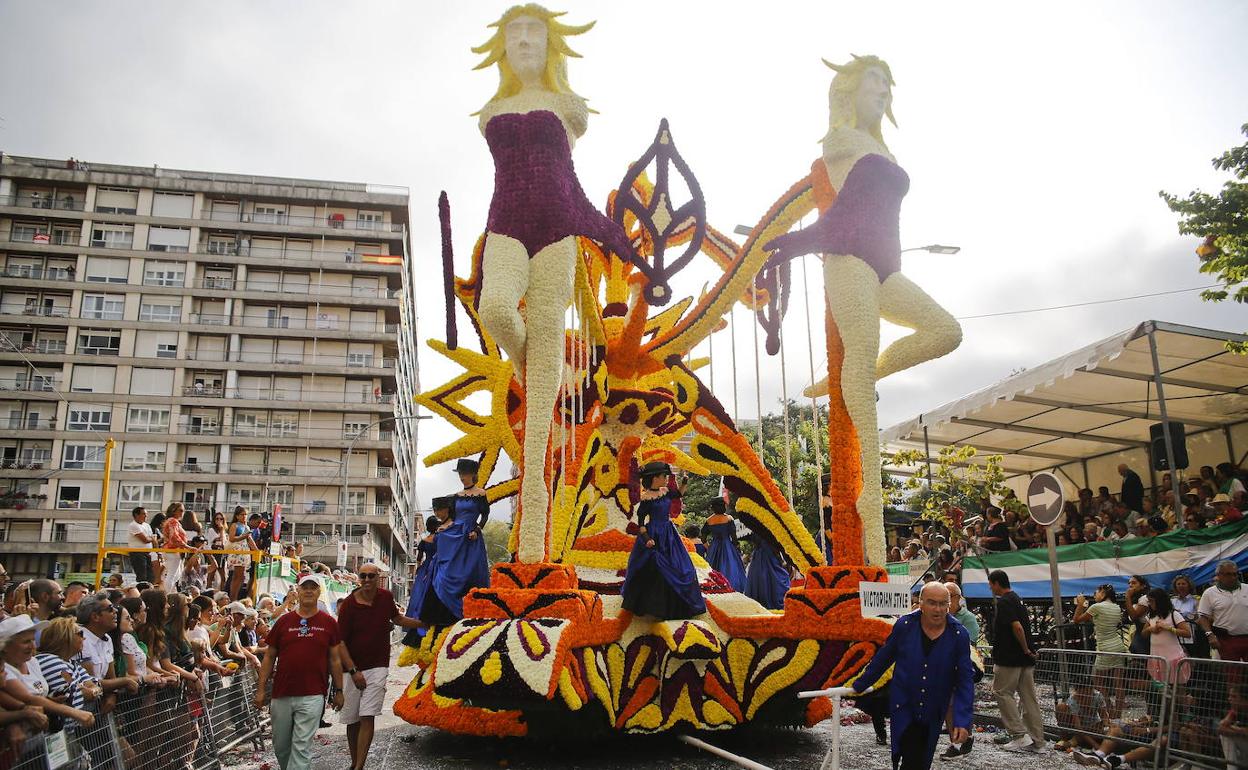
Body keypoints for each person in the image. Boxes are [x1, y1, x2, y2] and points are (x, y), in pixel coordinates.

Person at [761, 54, 962, 565]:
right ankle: (869, 500)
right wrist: (801, 240)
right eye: (875, 81)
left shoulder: (881, 146)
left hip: (886, 268)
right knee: (861, 359)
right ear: (849, 91)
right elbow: (843, 209)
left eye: (888, 84)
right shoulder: (842, 142)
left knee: (946, 330)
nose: (884, 91)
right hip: (847, 261)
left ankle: (855, 376)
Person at [472, 6, 636, 563]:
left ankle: (536, 500)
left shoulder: (569, 107)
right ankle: (534, 369)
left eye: (532, 33)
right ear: (502, 45)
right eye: (513, 33)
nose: (522, 41)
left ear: (550, 45)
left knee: (545, 330)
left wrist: (609, 232)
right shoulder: (492, 109)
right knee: (495, 308)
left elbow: (570, 182)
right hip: (505, 225)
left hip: (558, 230)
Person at [851, 582, 973, 770]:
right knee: (908, 753)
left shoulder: (959, 634)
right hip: (904, 704)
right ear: (920, 603)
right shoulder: (905, 625)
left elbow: (965, 681)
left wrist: (962, 721)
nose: (938, 609)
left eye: (943, 604)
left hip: (933, 709)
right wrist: (859, 685)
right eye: (932, 603)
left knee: (921, 760)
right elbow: (884, 657)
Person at [336, 563, 422, 770]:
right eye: (363, 576)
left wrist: (424, 624)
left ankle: (359, 767)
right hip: (351, 668)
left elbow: (397, 618)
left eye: (371, 576)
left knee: (368, 715)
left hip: (378, 665)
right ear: (359, 578)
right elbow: (340, 642)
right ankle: (354, 762)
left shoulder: (385, 597)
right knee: (353, 719)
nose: (366, 580)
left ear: (378, 577)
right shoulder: (348, 605)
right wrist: (354, 671)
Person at [254, 574, 345, 770]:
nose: (309, 590)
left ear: (319, 592)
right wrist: (261, 690)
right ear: (298, 591)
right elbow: (269, 657)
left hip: (313, 695)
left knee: (301, 747)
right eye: (305, 587)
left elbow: (335, 660)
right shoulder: (283, 622)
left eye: (313, 587)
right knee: (281, 746)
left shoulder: (329, 623)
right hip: (282, 693)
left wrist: (339, 690)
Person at [620, 462, 706, 620]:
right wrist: (646, 539)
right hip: (654, 534)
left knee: (681, 567)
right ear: (654, 478)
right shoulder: (646, 499)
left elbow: (678, 494)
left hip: (669, 533)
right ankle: (655, 606)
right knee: (655, 567)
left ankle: (680, 605)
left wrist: (685, 482)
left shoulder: (665, 491)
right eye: (663, 476)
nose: (666, 479)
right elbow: (640, 523)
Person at [419, 460, 491, 626]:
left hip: (471, 536)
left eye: (464, 474)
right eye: (460, 474)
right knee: (445, 561)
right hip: (456, 533)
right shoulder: (457, 496)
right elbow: (453, 518)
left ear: (472, 474)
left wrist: (477, 529)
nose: (462, 477)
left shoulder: (481, 493)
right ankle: (445, 601)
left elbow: (485, 515)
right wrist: (445, 528)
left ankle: (472, 607)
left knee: (470, 572)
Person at [0, 614, 95, 728]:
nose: (32, 646)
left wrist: (50, 700)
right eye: (26, 642)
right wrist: (74, 713)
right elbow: (29, 699)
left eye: (33, 640)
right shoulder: (5, 669)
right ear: (5, 646)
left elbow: (37, 697)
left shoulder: (33, 662)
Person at [988, 570, 1045, 752]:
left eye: (991, 584)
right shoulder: (1017, 599)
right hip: (1024, 659)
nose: (990, 587)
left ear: (997, 583)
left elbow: (1017, 627)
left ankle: (1019, 735)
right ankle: (1038, 742)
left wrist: (1025, 648)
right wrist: (1027, 651)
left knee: (1002, 692)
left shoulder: (1004, 602)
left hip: (1009, 657)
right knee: (1029, 699)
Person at [1073, 584, 1128, 717]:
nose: (1094, 595)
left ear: (1103, 593)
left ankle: (1109, 709)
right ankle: (1118, 714)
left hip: (1105, 648)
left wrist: (1080, 605)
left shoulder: (1096, 607)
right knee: (1119, 682)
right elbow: (1099, 620)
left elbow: (1076, 620)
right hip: (1118, 646)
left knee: (1097, 680)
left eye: (1095, 592)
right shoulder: (1116, 607)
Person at [402, 508, 445, 647]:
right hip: (438, 567)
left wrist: (418, 571)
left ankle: (417, 619)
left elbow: (419, 559)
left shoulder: (424, 540)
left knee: (420, 594)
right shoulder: (441, 539)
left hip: (425, 568)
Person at [1197, 559, 1248, 662]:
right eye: (1228, 574)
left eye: (1235, 574)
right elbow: (1203, 617)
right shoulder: (1209, 593)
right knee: (1233, 674)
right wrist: (1210, 635)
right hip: (1226, 640)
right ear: (1219, 575)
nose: (1233, 577)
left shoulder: (1247, 588)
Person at [1140, 587, 1191, 684]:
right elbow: (1143, 633)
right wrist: (1151, 629)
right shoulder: (1151, 616)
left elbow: (1187, 633)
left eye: (1151, 601)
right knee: (1162, 689)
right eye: (1149, 601)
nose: (1150, 604)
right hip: (1156, 657)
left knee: (1178, 688)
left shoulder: (1174, 614)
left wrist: (1168, 628)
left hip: (1173, 658)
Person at [705, 498, 747, 592]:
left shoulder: (709, 520)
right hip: (728, 546)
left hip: (714, 546)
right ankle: (730, 587)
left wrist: (709, 548)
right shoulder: (729, 518)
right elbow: (734, 537)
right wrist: (736, 547)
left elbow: (703, 537)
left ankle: (714, 587)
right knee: (732, 567)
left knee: (712, 569)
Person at [743, 529, 791, 610]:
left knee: (761, 576)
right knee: (774, 576)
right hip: (768, 553)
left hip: (760, 555)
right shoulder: (768, 525)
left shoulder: (754, 524)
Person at [226, 506, 257, 600]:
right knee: (237, 575)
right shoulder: (234, 525)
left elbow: (250, 541)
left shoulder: (246, 526)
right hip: (237, 551)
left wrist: (256, 550)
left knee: (242, 576)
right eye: (242, 514)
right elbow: (231, 538)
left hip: (244, 552)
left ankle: (235, 596)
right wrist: (244, 536)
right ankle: (233, 597)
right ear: (237, 516)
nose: (244, 516)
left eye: (245, 514)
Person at [160, 502, 189, 591]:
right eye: (180, 510)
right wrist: (187, 546)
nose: (182, 512)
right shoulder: (173, 521)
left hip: (171, 551)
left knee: (176, 575)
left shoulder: (171, 521)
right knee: (172, 575)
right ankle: (167, 595)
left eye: (183, 511)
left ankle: (170, 593)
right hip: (173, 550)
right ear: (174, 511)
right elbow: (174, 536)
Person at [126, 506, 155, 583]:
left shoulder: (147, 525)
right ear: (136, 515)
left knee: (150, 576)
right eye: (143, 514)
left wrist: (152, 539)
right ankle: (141, 592)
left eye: (146, 514)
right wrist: (152, 539)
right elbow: (145, 539)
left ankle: (148, 592)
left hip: (148, 553)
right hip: (137, 553)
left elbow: (151, 538)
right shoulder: (133, 525)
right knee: (142, 576)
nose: (146, 516)